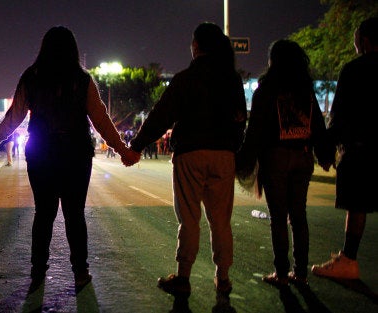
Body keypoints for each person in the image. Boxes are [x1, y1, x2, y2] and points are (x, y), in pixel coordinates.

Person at [0, 26, 137, 292]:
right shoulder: (82, 79)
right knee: (74, 214)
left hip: (41, 152)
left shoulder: (31, 77)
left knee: (44, 213)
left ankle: (37, 272)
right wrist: (123, 150)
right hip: (76, 153)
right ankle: (80, 272)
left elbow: (15, 115)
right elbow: (100, 120)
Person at [128, 22, 247, 298]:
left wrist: (135, 147)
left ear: (196, 47)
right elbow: (240, 119)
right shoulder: (232, 79)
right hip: (223, 155)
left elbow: (161, 116)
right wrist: (233, 150)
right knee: (221, 221)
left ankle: (183, 277)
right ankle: (224, 277)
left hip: (190, 155)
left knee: (189, 219)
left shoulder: (184, 79)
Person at [235, 39, 334, 287]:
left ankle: (281, 273)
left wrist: (242, 161)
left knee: (278, 217)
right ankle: (300, 273)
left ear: (274, 61)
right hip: (302, 156)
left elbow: (255, 131)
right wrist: (324, 154)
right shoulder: (306, 91)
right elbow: (318, 126)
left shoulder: (266, 90)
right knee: (298, 215)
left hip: (276, 157)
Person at [311, 17, 378, 280]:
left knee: (357, 206)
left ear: (364, 41)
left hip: (361, 150)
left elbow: (338, 116)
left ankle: (349, 259)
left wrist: (326, 151)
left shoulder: (354, 70)